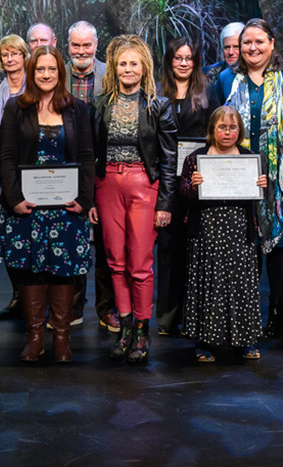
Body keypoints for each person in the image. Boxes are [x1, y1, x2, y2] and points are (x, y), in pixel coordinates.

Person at [212, 18, 283, 339]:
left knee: (279, 244)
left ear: (272, 43)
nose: (253, 48)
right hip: (239, 175)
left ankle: (276, 311)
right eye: (247, 43)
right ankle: (247, 311)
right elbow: (218, 126)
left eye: (259, 41)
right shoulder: (227, 79)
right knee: (246, 244)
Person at [0, 45, 94, 363]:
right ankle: (36, 338)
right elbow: (7, 157)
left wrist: (83, 199)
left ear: (60, 72)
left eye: (52, 69)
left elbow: (85, 157)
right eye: (40, 69)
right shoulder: (15, 108)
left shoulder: (77, 109)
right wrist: (14, 199)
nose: (46, 75)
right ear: (31, 73)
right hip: (27, 207)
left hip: (66, 209)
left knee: (63, 272)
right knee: (30, 272)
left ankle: (62, 340)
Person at [89, 35, 178, 364]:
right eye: (122, 63)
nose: (128, 69)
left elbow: (170, 159)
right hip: (107, 183)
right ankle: (125, 327)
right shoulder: (99, 104)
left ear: (144, 68)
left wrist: (165, 204)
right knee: (115, 261)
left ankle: (142, 330)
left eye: (134, 64)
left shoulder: (158, 105)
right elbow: (91, 155)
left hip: (144, 184)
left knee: (140, 264)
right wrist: (91, 200)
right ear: (114, 67)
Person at [180, 106, 267, 362]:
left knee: (242, 285)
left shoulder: (251, 157)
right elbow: (183, 190)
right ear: (212, 130)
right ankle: (205, 342)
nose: (227, 132)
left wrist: (263, 184)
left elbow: (262, 192)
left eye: (232, 127)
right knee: (208, 284)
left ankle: (245, 341)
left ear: (239, 131)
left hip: (240, 230)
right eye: (221, 127)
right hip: (207, 230)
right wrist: (192, 185)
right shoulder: (196, 158)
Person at [155, 37, 220, 337]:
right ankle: (167, 317)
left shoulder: (207, 92)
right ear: (169, 60)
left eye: (189, 58)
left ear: (196, 61)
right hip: (166, 182)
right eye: (177, 58)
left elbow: (216, 136)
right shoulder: (157, 92)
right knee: (168, 250)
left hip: (196, 182)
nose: (183, 63)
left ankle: (194, 316)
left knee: (195, 251)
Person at [64, 20, 114, 332]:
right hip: (67, 167)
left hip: (104, 165)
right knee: (73, 239)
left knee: (106, 243)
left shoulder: (110, 74)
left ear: (96, 45)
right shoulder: (56, 73)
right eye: (75, 46)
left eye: (87, 45)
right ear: (67, 46)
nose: (81, 51)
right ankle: (72, 306)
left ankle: (106, 308)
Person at [0, 33, 31, 320]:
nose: (10, 59)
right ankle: (18, 296)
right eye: (5, 54)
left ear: (24, 56)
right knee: (10, 238)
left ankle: (36, 299)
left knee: (34, 237)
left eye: (15, 53)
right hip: (6, 172)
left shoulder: (36, 87)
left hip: (34, 169)